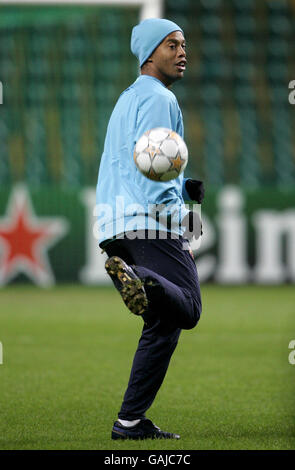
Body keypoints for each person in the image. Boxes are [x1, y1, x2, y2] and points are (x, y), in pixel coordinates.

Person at [96, 18, 205, 440]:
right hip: (150, 223)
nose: (183, 52)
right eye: (172, 44)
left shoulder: (126, 100)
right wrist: (183, 225)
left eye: (184, 45)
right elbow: (156, 175)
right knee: (190, 306)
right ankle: (147, 282)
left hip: (115, 223)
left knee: (164, 325)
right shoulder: (160, 99)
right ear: (149, 52)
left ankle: (129, 422)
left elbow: (130, 163)